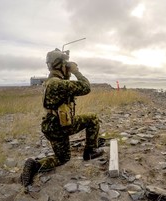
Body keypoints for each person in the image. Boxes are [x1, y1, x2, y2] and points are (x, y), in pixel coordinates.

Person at [21, 48, 104, 188]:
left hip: (52, 126)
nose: (68, 69)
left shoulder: (50, 81)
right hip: (60, 127)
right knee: (93, 119)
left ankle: (35, 165)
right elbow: (86, 87)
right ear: (59, 66)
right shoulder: (57, 84)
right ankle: (89, 152)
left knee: (63, 159)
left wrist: (65, 70)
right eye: (65, 66)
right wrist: (76, 71)